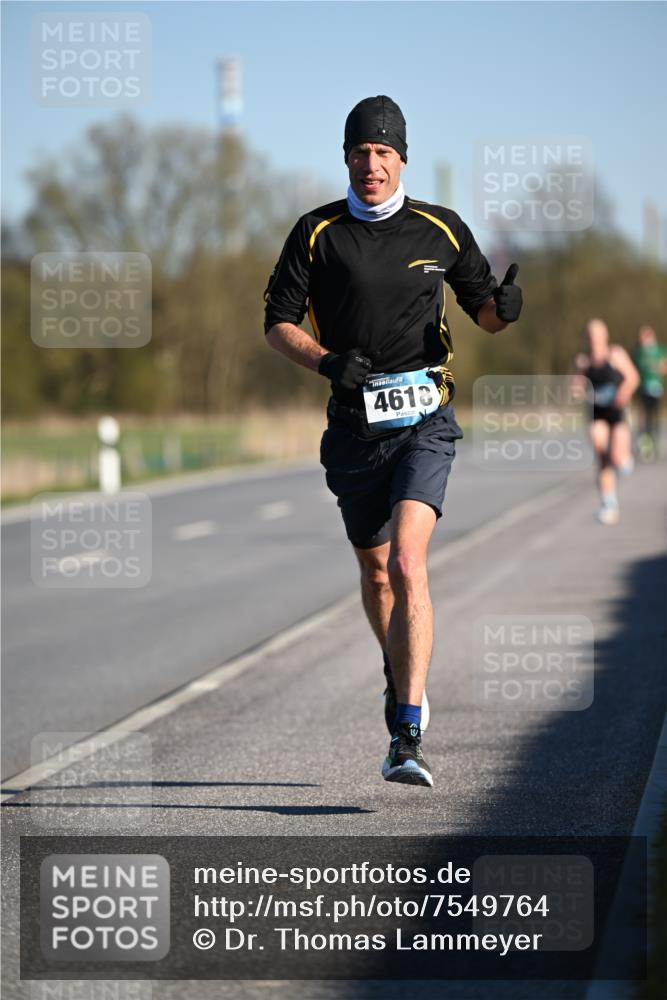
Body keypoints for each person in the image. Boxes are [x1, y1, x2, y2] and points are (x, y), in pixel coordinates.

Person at [264, 95, 522, 787]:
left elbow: (484, 312)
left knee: (408, 564)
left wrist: (505, 309)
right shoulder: (316, 233)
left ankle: (406, 734)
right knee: (377, 573)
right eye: (359, 152)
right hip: (354, 430)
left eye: (382, 152)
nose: (370, 164)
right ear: (345, 158)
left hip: (425, 421)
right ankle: (397, 667)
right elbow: (277, 324)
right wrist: (326, 362)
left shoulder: (440, 228)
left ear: (402, 158)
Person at [573, 319, 639, 525]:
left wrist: (624, 393)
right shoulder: (583, 361)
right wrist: (577, 390)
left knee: (617, 459)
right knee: (601, 456)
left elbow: (633, 377)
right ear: (587, 338)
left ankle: (624, 460)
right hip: (596, 413)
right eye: (591, 335)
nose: (594, 339)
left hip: (617, 413)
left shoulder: (615, 354)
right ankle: (608, 504)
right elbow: (576, 386)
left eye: (598, 335)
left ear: (605, 336)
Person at [633, 325, 666, 460]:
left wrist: (657, 367)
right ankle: (646, 446)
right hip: (643, 389)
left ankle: (655, 443)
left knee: (654, 417)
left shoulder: (660, 350)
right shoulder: (638, 353)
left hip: (656, 389)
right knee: (645, 418)